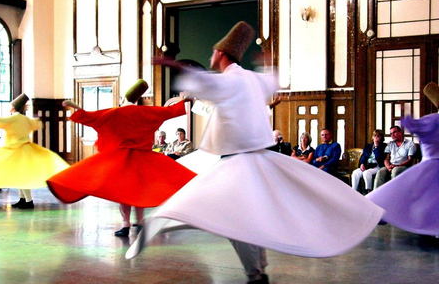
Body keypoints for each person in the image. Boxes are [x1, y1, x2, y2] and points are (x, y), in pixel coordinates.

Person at [126, 21, 384, 284]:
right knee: (249, 215)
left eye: (213, 52)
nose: (210, 56)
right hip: (255, 160)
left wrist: (173, 64)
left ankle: (256, 273)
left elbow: (203, 84)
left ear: (222, 54)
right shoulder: (250, 78)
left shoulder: (230, 81)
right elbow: (270, 80)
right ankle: (258, 268)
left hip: (240, 163)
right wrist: (267, 62)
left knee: (237, 219)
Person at [46, 79, 196, 211]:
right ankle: (140, 221)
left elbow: (90, 118)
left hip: (120, 161)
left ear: (123, 98)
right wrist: (187, 100)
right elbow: (170, 111)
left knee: (124, 195)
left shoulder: (113, 113)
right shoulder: (147, 112)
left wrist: (76, 107)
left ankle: (126, 224)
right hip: (144, 160)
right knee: (140, 194)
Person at [0, 93, 70, 209]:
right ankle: (23, 199)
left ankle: (28, 201)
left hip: (16, 150)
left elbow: (0, 122)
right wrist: (37, 119)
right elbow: (36, 124)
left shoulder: (13, 118)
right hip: (25, 149)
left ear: (13, 108)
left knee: (21, 176)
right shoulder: (24, 119)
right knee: (20, 175)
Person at [367, 82, 439, 235]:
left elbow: (412, 125)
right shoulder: (434, 120)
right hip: (431, 166)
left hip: (430, 166)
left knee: (421, 196)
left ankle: (381, 211)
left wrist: (405, 114)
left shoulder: (433, 120)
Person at [373, 125, 417, 189]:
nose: (392, 135)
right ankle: (376, 195)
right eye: (391, 134)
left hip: (404, 166)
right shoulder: (390, 144)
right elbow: (386, 159)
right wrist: (388, 167)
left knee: (395, 171)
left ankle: (393, 193)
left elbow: (410, 160)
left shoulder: (410, 143)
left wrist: (398, 165)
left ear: (400, 132)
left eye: (394, 132)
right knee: (381, 171)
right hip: (391, 166)